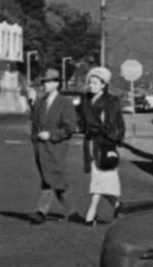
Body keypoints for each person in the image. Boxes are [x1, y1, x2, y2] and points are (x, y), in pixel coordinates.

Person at [29, 69, 79, 222]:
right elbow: (34, 125)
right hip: (41, 149)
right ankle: (71, 212)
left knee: (52, 179)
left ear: (57, 83)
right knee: (52, 179)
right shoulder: (39, 102)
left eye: (49, 81)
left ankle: (41, 212)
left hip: (57, 147)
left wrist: (51, 135)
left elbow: (70, 127)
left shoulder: (65, 103)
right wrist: (35, 141)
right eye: (44, 82)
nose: (45, 84)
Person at [79, 66, 124, 225]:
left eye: (95, 83)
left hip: (105, 145)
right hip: (91, 144)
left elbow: (115, 123)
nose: (92, 86)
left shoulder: (111, 101)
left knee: (99, 180)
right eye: (90, 83)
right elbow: (81, 120)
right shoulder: (85, 99)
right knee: (103, 182)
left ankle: (90, 214)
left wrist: (112, 138)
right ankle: (118, 208)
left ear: (103, 85)